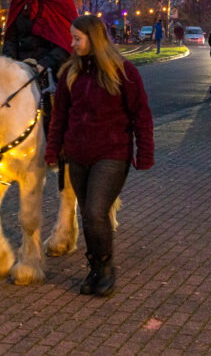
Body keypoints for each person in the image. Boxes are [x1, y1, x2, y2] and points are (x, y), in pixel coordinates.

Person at [45, 15, 154, 297]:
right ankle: (94, 267)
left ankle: (106, 268)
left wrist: (144, 152)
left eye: (77, 39)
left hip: (111, 154)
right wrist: (53, 149)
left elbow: (141, 114)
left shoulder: (123, 72)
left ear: (93, 39)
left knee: (96, 211)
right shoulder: (70, 73)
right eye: (72, 38)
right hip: (78, 155)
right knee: (86, 214)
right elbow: (59, 117)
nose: (72, 44)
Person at [2, 0, 79, 134]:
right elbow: (11, 37)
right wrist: (10, 61)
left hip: (53, 64)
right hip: (21, 64)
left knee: (64, 107)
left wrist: (43, 64)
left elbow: (66, 41)